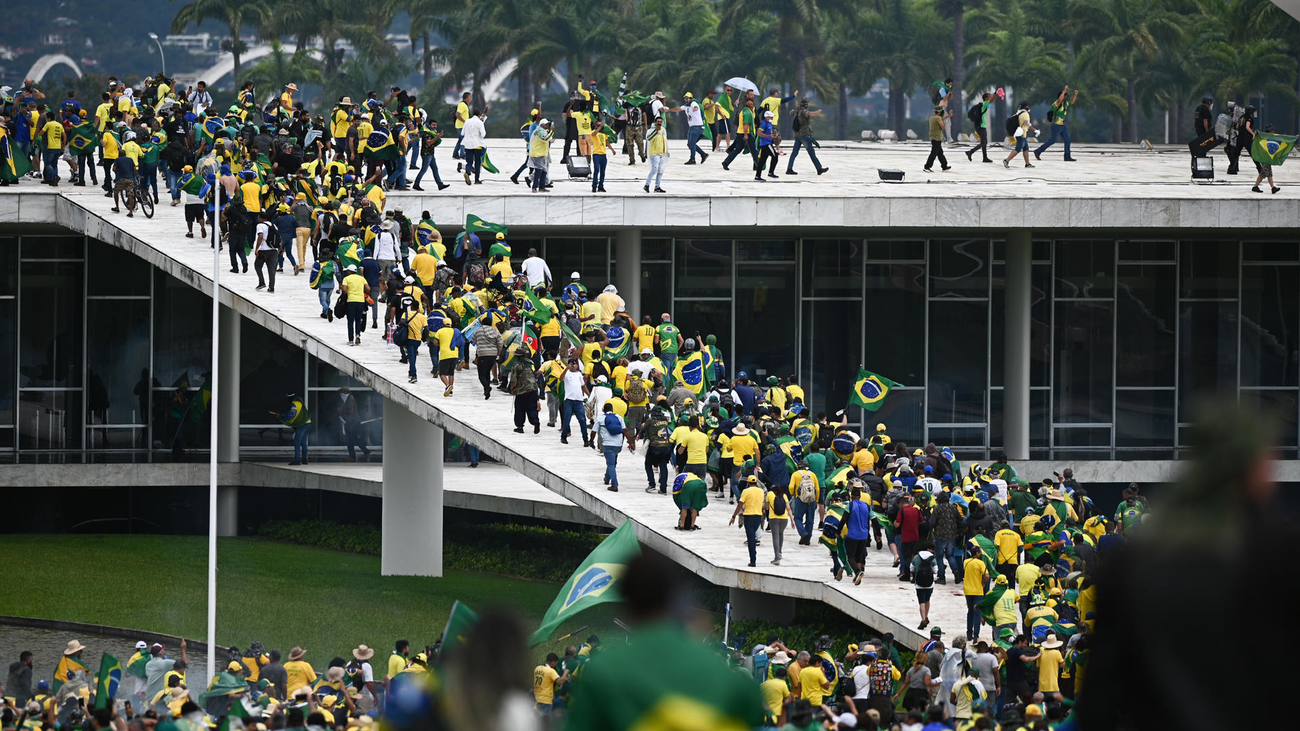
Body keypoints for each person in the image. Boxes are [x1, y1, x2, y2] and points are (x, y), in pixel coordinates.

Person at [1035, 86, 1079, 161]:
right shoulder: (1056, 103)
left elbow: (1071, 102)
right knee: (1052, 140)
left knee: (1067, 140)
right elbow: (1060, 99)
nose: (1065, 97)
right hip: (1056, 125)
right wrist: (1064, 90)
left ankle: (1067, 156)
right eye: (1064, 95)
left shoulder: (1065, 103)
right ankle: (1038, 151)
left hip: (1063, 126)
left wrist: (1075, 95)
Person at [729, 475, 765, 567]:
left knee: (751, 539)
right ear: (756, 483)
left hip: (749, 517)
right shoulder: (761, 491)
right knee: (753, 537)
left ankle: (753, 560)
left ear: (748, 483)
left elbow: (740, 505)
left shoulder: (746, 491)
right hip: (758, 517)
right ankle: (753, 557)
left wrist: (733, 516)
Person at [787, 98, 827, 175]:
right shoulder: (803, 111)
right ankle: (819, 168)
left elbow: (791, 113)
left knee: (794, 153)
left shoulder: (797, 111)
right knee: (811, 153)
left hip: (797, 135)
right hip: (804, 135)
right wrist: (817, 112)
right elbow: (808, 114)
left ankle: (789, 168)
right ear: (805, 105)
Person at [271, 392, 312, 465]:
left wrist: (281, 417)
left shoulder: (295, 404)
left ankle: (296, 460)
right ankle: (305, 459)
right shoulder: (300, 402)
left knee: (297, 441)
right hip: (308, 422)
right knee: (303, 442)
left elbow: (291, 415)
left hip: (302, 424)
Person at [508, 346, 542, 434]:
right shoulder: (531, 363)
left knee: (520, 408)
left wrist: (512, 389)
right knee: (532, 407)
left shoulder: (516, 365)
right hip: (533, 388)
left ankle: (519, 427)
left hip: (522, 390)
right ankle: (535, 421)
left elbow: (513, 380)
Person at [560, 359, 590, 446]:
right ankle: (564, 436)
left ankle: (585, 439)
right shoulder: (566, 373)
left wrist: (589, 395)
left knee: (582, 420)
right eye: (572, 364)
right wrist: (566, 369)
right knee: (567, 419)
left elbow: (583, 386)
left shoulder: (579, 374)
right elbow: (561, 378)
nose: (573, 366)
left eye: (575, 364)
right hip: (569, 399)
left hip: (579, 400)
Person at [340, 265, 370, 346]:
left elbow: (344, 289)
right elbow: (368, 289)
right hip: (361, 301)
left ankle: (350, 340)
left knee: (350, 321)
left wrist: (345, 293)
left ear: (350, 271)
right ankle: (358, 335)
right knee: (358, 319)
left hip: (351, 301)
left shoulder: (346, 279)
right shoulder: (361, 278)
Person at [962, 548, 989, 640]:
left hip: (967, 590)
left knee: (970, 611)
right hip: (978, 590)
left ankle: (969, 633)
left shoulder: (966, 562)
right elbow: (987, 575)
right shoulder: (981, 563)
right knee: (977, 613)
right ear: (977, 553)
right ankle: (976, 636)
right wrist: (984, 584)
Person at [911, 543, 938, 630]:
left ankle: (922, 619)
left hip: (919, 583)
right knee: (927, 600)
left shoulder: (916, 557)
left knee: (921, 602)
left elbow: (911, 568)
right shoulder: (932, 558)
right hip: (929, 583)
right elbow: (935, 570)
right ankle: (926, 617)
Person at [1003, 102, 1036, 169]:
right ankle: (1006, 160)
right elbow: (1027, 124)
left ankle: (1027, 164)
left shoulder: (1019, 113)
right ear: (1026, 106)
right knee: (1018, 149)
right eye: (1027, 106)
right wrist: (1035, 130)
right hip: (1021, 134)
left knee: (1026, 149)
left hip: (1020, 133)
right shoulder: (1025, 114)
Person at [1253, 123, 1283, 194]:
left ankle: (1256, 187)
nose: (1273, 131)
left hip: (1268, 157)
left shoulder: (1272, 137)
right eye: (1272, 130)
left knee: (1266, 173)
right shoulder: (1263, 137)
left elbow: (1283, 138)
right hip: (1264, 158)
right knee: (1267, 173)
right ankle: (1272, 187)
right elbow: (1256, 137)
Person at [460, 107, 487, 185]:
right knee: (477, 163)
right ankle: (476, 180)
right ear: (479, 115)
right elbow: (483, 134)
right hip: (477, 145)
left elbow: (462, 133)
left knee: (469, 162)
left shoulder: (467, 121)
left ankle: (467, 173)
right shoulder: (479, 122)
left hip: (467, 145)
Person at [965, 92, 994, 163]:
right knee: (983, 142)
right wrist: (997, 93)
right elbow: (992, 100)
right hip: (981, 126)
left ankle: (985, 157)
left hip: (979, 125)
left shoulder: (983, 105)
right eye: (989, 97)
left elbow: (990, 102)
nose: (990, 98)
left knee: (984, 142)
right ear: (986, 98)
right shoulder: (984, 104)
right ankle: (970, 152)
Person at [924, 106, 952, 173]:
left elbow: (941, 119)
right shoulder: (938, 118)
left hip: (933, 137)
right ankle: (927, 166)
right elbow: (943, 127)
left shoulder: (932, 117)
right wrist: (945, 124)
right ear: (940, 112)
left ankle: (944, 166)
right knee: (933, 153)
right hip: (937, 138)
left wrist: (949, 116)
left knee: (940, 153)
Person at [644, 115, 667, 193]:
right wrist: (655, 131)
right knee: (654, 169)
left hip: (662, 153)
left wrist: (666, 152)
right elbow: (649, 138)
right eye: (658, 122)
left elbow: (665, 141)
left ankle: (657, 187)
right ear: (655, 122)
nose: (659, 123)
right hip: (654, 153)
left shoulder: (663, 130)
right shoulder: (651, 130)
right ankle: (647, 185)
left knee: (660, 171)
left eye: (660, 122)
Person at [754, 110, 778, 181]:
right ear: (766, 117)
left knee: (762, 161)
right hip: (766, 144)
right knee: (775, 156)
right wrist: (769, 136)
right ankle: (771, 172)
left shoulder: (769, 124)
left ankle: (757, 176)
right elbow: (759, 133)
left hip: (768, 143)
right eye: (770, 116)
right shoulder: (764, 124)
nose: (772, 118)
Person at [452, 92, 471, 163]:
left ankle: (455, 154)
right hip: (461, 126)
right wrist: (464, 121)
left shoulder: (464, 104)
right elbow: (457, 114)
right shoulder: (462, 105)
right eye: (470, 97)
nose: (470, 99)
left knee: (460, 140)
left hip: (462, 125)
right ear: (467, 98)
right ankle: (462, 154)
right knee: (463, 140)